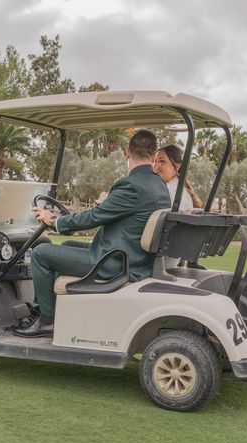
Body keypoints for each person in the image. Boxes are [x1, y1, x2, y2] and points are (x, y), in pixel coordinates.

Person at [14, 130, 171, 337]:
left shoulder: (131, 185)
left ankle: (46, 322)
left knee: (42, 252)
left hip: (115, 263)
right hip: (132, 257)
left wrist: (54, 220)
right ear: (153, 156)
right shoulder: (159, 185)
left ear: (126, 152)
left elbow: (95, 217)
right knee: (67, 245)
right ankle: (47, 309)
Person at [153, 145, 203, 212]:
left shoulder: (168, 190)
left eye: (162, 161)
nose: (155, 167)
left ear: (177, 166)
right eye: (154, 161)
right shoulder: (179, 188)